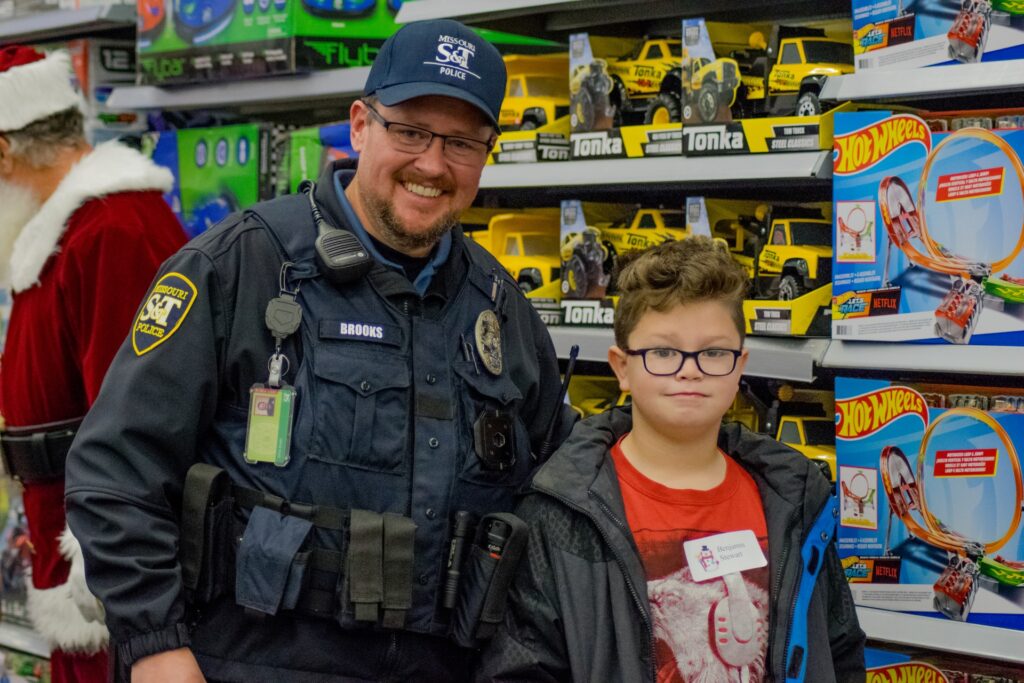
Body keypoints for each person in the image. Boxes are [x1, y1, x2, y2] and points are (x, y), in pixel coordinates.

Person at [65, 18, 574, 683]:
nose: (432, 164)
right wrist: (155, 641)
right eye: (410, 131)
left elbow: (560, 493)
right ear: (361, 125)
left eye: (460, 142)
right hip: (244, 664)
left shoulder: (501, 309)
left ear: (487, 153)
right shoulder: (241, 266)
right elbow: (114, 467)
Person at [478, 237, 866, 682]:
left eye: (713, 352)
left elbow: (840, 649)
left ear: (740, 365)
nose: (690, 369)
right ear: (621, 367)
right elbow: (522, 667)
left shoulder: (795, 502)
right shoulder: (561, 514)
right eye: (662, 352)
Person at [0, 46, 186, 683]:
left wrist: (107, 559)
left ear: (4, 152)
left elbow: (143, 414)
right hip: (62, 537)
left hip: (106, 577)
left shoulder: (112, 231)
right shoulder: (72, 228)